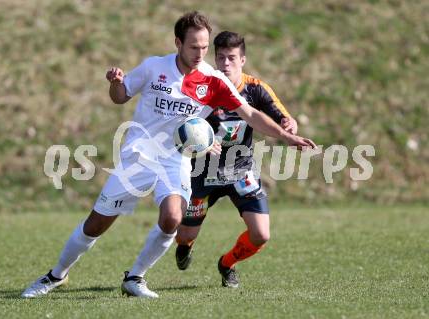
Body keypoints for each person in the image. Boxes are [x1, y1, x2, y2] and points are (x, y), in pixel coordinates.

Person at [21, 12, 315, 299]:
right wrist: (115, 82)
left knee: (172, 217)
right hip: (140, 155)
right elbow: (120, 96)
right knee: (96, 223)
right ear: (177, 43)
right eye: (193, 47)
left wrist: (287, 137)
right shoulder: (153, 67)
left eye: (204, 46)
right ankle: (56, 275)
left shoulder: (213, 81)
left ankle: (135, 277)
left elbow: (250, 114)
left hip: (175, 159)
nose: (201, 53)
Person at [175, 31, 299, 288]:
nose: (225, 64)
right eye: (220, 58)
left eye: (231, 58)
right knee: (184, 235)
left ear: (243, 60)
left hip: (240, 170)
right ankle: (187, 245)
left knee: (261, 234)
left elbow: (283, 117)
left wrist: (289, 124)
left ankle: (227, 264)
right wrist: (200, 144)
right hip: (202, 173)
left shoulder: (256, 88)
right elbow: (181, 126)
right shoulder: (202, 87)